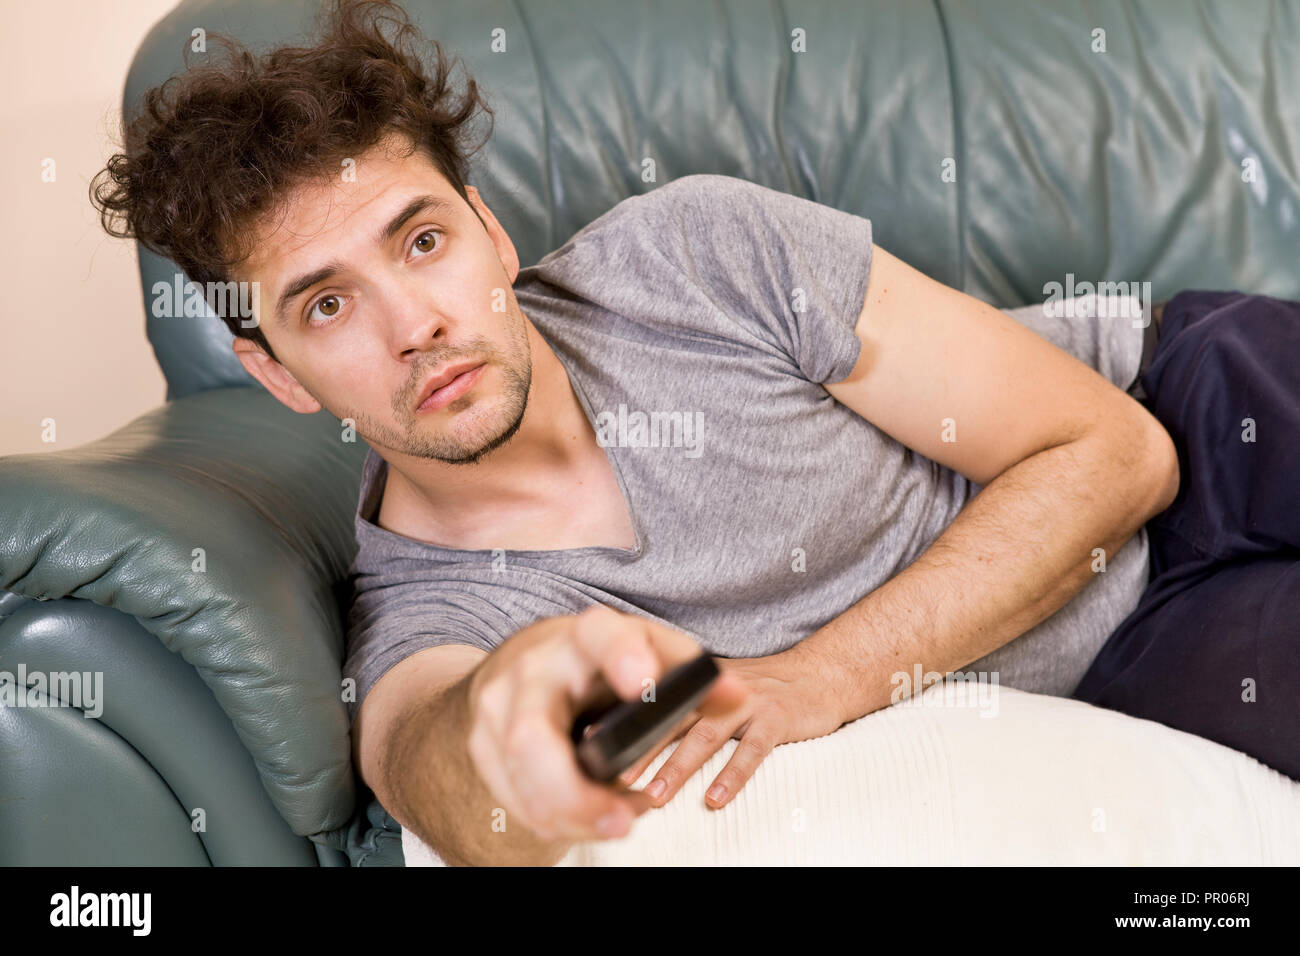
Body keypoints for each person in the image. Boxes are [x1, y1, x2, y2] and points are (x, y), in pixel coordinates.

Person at [98, 0, 1294, 869]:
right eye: (325, 303)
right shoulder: (430, 615)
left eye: (420, 241)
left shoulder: (692, 250)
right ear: (277, 372)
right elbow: (445, 771)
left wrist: (816, 678)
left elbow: (1113, 452)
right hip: (1130, 646)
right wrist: (513, 742)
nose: (414, 323)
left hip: (1184, 390)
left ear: (492, 233)